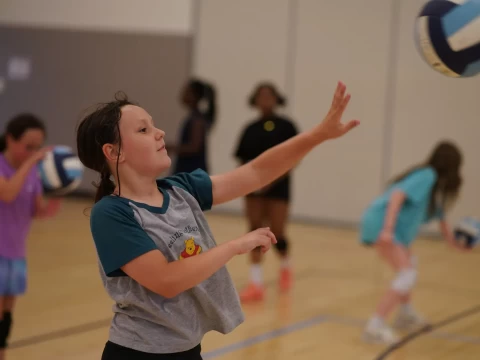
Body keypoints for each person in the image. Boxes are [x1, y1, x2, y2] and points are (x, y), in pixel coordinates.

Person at [75, 81, 359, 359]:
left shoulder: (181, 190)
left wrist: (318, 135)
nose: (160, 133)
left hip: (187, 349)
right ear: (114, 152)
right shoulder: (112, 213)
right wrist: (234, 246)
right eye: (143, 129)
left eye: (154, 125)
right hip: (138, 353)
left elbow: (256, 172)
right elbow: (166, 280)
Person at [360, 141, 470, 344]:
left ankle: (405, 314)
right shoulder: (427, 175)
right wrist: (388, 230)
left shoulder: (434, 185)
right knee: (407, 273)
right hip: (381, 224)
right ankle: (374, 326)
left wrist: (454, 244)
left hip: (393, 231)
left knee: (411, 266)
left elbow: (442, 218)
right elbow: (396, 196)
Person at [0, 114, 61, 360]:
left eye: (38, 147)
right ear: (10, 140)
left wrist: (59, 191)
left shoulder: (33, 174)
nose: (34, 152)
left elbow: (38, 212)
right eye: (28, 147)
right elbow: (7, 194)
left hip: (16, 254)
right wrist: (31, 163)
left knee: (7, 314)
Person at [233, 82, 299, 302]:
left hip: (279, 187)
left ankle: (285, 265)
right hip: (253, 188)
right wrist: (250, 182)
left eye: (269, 95)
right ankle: (256, 283)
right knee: (254, 230)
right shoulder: (249, 129)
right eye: (261, 95)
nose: (265, 99)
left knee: (277, 232)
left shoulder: (287, 126)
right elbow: (242, 160)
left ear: (276, 98)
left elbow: (293, 158)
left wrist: (270, 181)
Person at [168, 79, 216, 174]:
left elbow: (194, 146)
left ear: (195, 96)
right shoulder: (194, 118)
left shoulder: (197, 120)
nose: (183, 94)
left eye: (187, 91)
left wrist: (172, 147)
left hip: (191, 170)